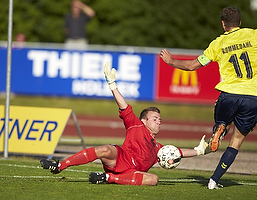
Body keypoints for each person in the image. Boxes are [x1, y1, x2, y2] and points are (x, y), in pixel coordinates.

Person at [160, 6, 257, 189]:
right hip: (253, 97)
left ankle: (220, 128)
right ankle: (214, 180)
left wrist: (171, 61)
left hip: (229, 95)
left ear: (223, 24)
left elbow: (193, 66)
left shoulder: (218, 44)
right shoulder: (255, 35)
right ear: (240, 23)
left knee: (222, 122)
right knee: (236, 141)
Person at [40, 62, 208, 186]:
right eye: (154, 118)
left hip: (132, 174)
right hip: (120, 159)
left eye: (160, 120)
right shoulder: (135, 125)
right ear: (144, 120)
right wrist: (112, 85)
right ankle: (60, 165)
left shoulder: (159, 148)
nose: (158, 122)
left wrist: (199, 150)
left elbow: (178, 152)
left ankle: (107, 178)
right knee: (104, 149)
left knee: (154, 179)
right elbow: (123, 106)